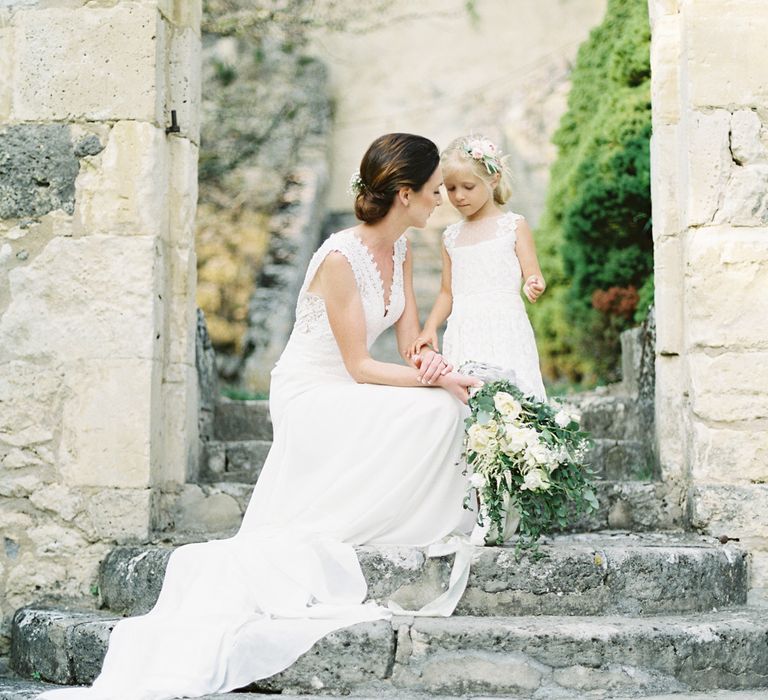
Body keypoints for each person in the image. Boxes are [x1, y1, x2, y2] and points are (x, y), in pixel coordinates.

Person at [39, 133, 479, 700]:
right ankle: (377, 515)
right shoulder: (340, 258)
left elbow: (407, 344)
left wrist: (432, 357)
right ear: (403, 193)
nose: (441, 198)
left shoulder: (401, 249)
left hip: (353, 386)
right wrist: (436, 380)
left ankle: (389, 510)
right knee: (435, 406)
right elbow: (361, 365)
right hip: (313, 392)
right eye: (434, 189)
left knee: (442, 406)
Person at [408, 134, 547, 401]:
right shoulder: (450, 236)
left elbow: (533, 273)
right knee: (467, 402)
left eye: (468, 187)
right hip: (464, 330)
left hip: (505, 327)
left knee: (515, 401)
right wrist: (429, 328)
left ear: (492, 180)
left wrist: (533, 283)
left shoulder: (514, 226)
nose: (458, 196)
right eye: (450, 188)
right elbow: (447, 292)